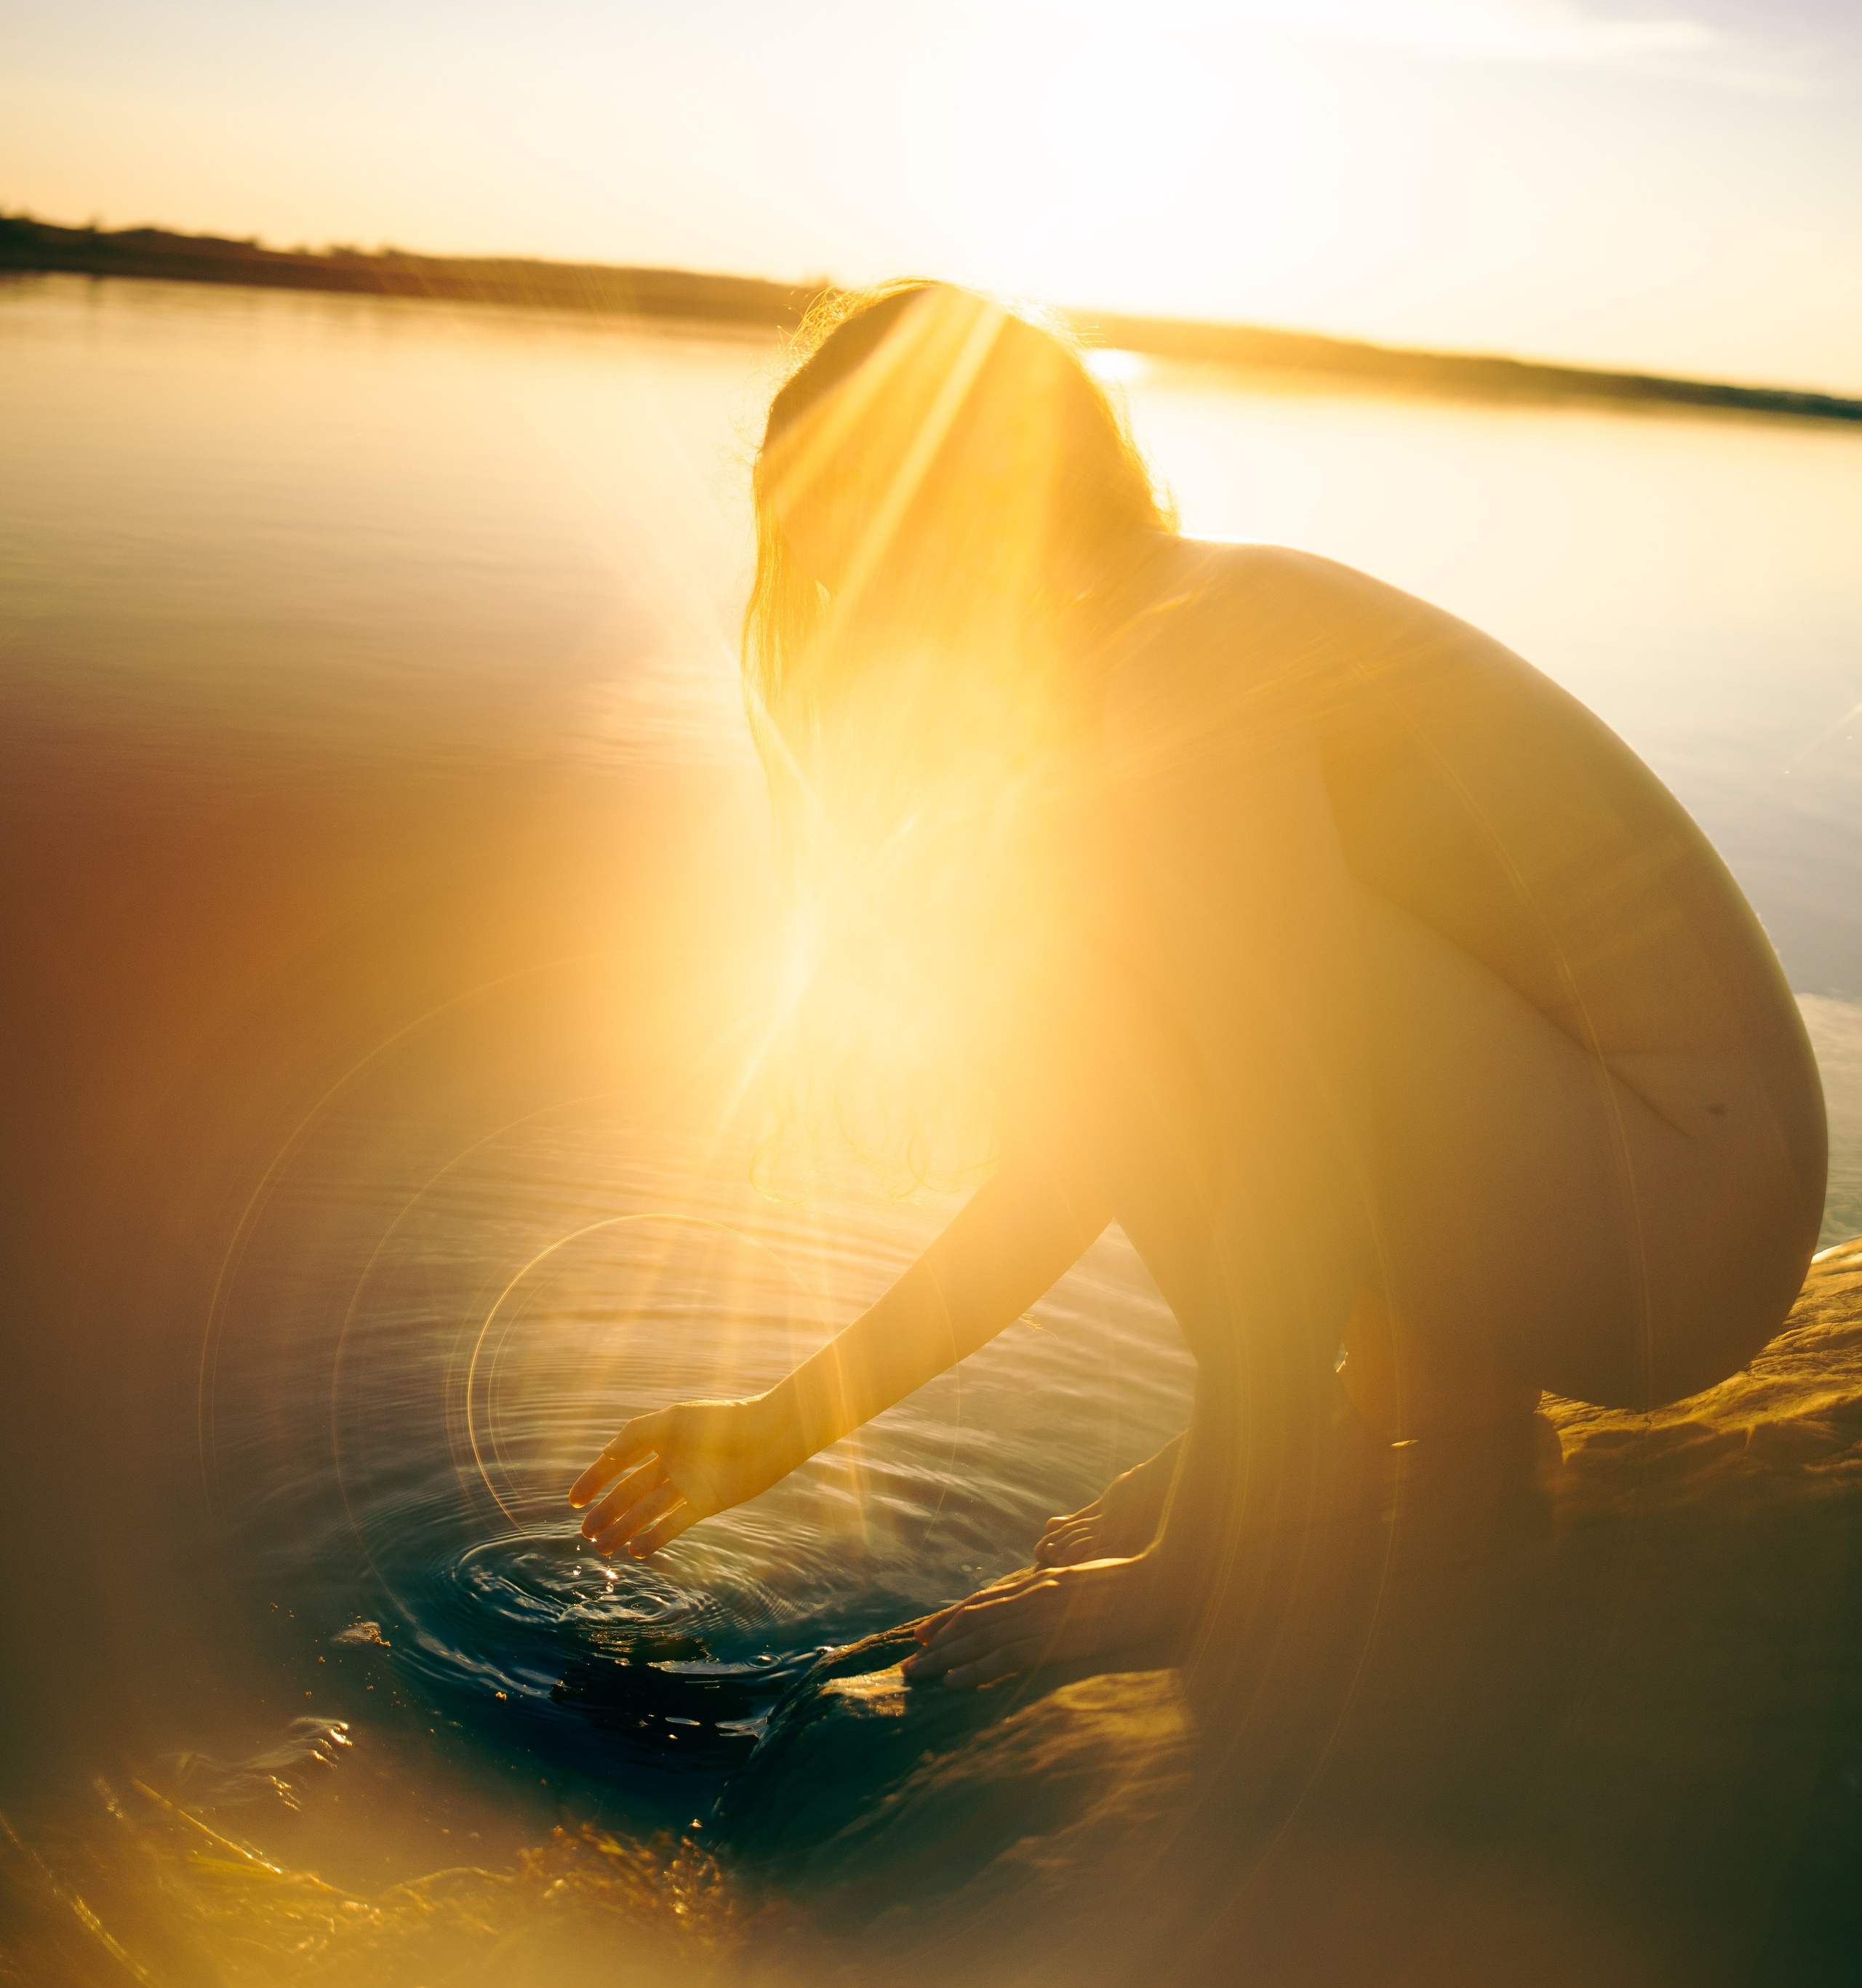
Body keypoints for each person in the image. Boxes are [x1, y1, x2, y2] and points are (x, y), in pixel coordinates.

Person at [568, 282, 1826, 1692]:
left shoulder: (1172, 661)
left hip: (1668, 1215)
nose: (852, 621)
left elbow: (1275, 1120)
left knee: (1111, 963)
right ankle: (1406, 1427)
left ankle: (1282, 1502)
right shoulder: (1155, 631)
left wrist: (1214, 1538)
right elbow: (1112, 1145)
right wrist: (782, 1424)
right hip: (1646, 1192)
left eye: (859, 560)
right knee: (1126, 963)